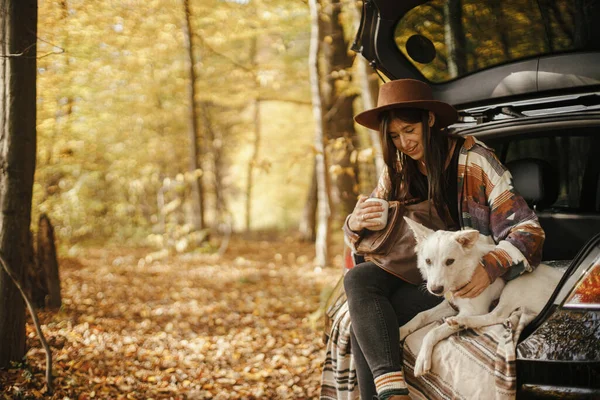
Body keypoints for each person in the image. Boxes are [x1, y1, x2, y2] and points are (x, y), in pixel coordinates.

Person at [340, 79, 545, 400]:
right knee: (358, 277)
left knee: (362, 329)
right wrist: (354, 222)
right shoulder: (396, 168)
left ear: (430, 121)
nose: (403, 143)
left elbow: (528, 231)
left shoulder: (475, 159)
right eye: (394, 136)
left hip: (459, 276)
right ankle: (394, 392)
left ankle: (389, 395)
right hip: (414, 270)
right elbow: (366, 234)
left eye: (409, 130)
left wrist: (489, 267)